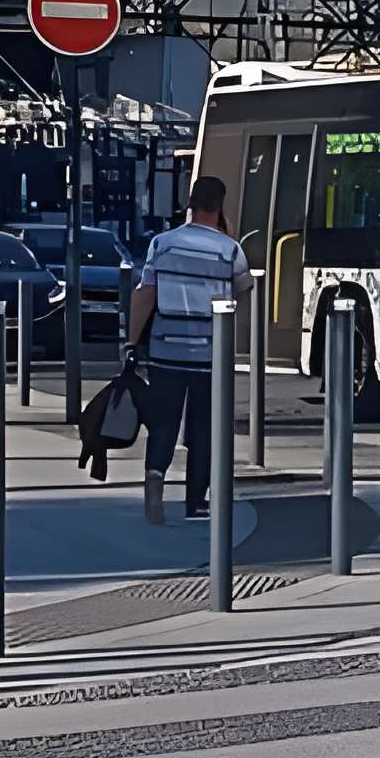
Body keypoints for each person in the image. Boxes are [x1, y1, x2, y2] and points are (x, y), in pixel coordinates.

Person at [128, 176, 247, 518]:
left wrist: (132, 342)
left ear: (190, 204)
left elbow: (145, 295)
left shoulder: (162, 244)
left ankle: (154, 481)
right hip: (211, 355)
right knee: (204, 429)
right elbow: (243, 289)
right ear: (220, 206)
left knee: (164, 422)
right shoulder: (229, 249)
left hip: (166, 351)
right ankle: (196, 500)